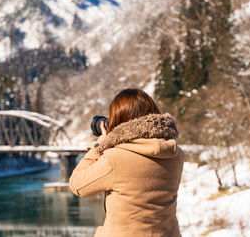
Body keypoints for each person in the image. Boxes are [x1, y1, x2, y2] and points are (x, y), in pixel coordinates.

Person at [69, 88, 184, 237]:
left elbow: (77, 185)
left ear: (119, 121)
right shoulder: (175, 153)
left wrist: (100, 145)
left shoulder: (115, 159)